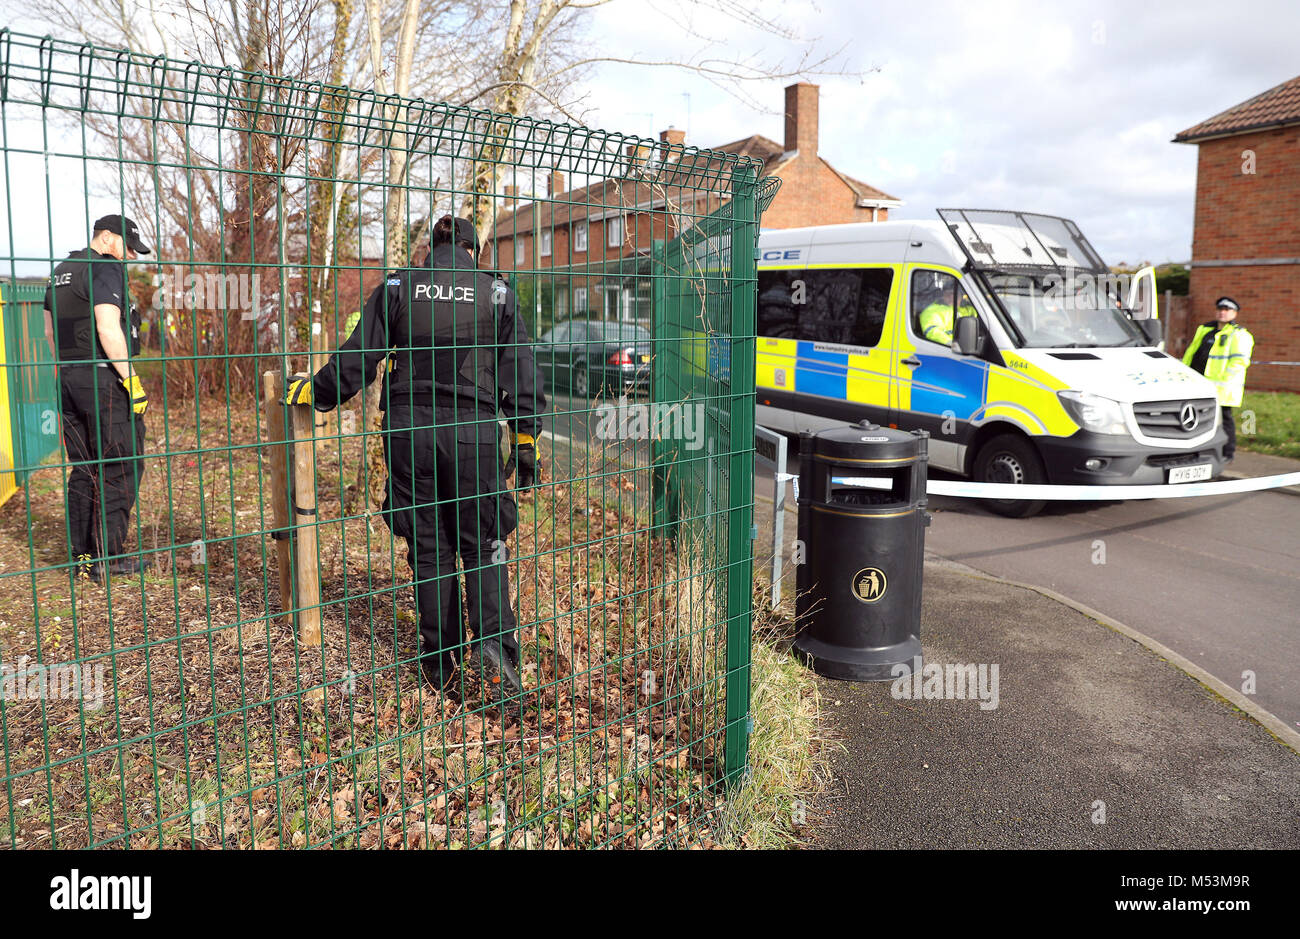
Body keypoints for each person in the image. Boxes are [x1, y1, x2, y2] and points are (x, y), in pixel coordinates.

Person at [284, 215, 546, 711]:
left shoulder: (400, 287)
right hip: (474, 433)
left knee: (430, 546)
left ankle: (439, 663)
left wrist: (314, 392)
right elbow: (521, 371)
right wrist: (526, 441)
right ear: (474, 249)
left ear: (433, 247)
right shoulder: (496, 292)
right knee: (485, 543)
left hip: (411, 431)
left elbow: (358, 358)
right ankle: (495, 652)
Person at [43, 214, 151, 583]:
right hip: (103, 379)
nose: (130, 257)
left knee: (83, 466)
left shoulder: (61, 271)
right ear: (107, 238)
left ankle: (82, 556)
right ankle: (109, 558)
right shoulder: (104, 268)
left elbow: (49, 331)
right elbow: (107, 326)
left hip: (68, 377)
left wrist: (69, 373)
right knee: (121, 463)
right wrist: (130, 379)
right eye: (128, 247)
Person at [1182, 296, 1253, 461]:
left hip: (1222, 387)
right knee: (1196, 419)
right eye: (1220, 309)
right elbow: (1192, 354)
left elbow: (1239, 361)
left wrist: (1223, 379)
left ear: (1234, 314)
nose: (1222, 313)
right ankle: (1198, 451)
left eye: (1227, 310)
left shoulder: (1239, 335)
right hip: (1197, 383)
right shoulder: (1205, 329)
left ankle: (1228, 452)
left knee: (1224, 419)